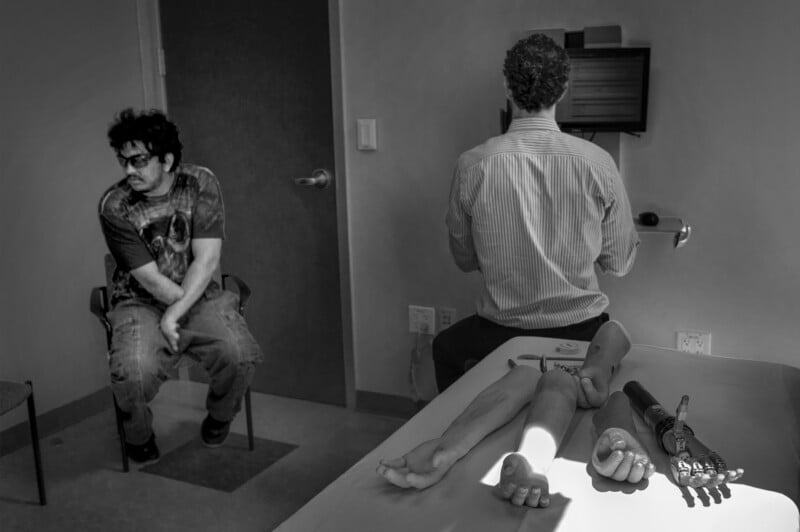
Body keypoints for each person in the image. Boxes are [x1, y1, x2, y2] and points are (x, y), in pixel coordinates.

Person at [434, 33, 640, 392]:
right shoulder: (598, 163)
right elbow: (620, 265)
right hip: (582, 332)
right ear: (562, 91)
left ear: (507, 88)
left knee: (445, 349)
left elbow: (465, 260)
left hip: (497, 335)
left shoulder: (472, 165)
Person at [98, 108, 263, 464]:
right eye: (123, 161)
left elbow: (206, 260)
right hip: (139, 301)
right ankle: (138, 436)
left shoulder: (200, 182)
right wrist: (173, 313)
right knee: (132, 374)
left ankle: (219, 418)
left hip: (199, 292)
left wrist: (177, 314)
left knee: (240, 354)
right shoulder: (115, 206)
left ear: (167, 159)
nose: (128, 170)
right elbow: (149, 279)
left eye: (138, 160)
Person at [377, 320, 657, 507]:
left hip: (530, 330)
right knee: (533, 378)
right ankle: (448, 448)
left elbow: (615, 332)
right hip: (547, 332)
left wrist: (597, 375)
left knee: (564, 383)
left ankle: (532, 459)